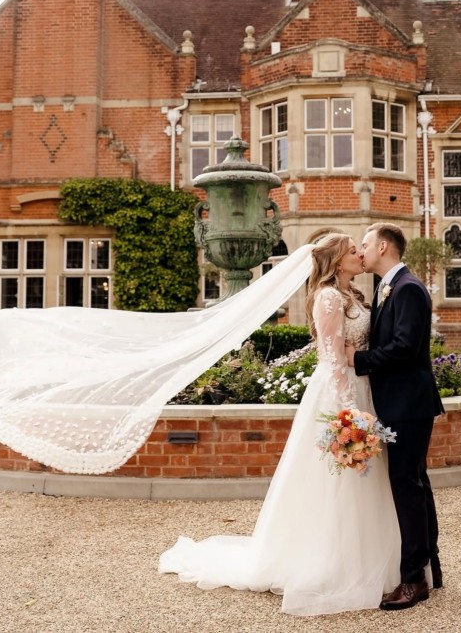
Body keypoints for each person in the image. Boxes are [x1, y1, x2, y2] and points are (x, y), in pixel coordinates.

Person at [159, 233, 401, 616]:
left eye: (359, 248)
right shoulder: (327, 297)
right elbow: (334, 359)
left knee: (364, 479)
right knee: (335, 478)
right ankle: (330, 564)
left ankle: (368, 558)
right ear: (338, 261)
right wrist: (348, 415)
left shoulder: (353, 294)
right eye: (353, 250)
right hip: (339, 393)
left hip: (362, 387)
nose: (359, 254)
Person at [345, 222, 444, 611]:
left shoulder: (408, 289)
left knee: (408, 486)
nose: (362, 251)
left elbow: (404, 348)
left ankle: (413, 580)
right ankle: (429, 566)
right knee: (415, 483)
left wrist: (359, 360)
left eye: (366, 244)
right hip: (401, 404)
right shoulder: (390, 288)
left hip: (409, 405)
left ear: (383, 246)